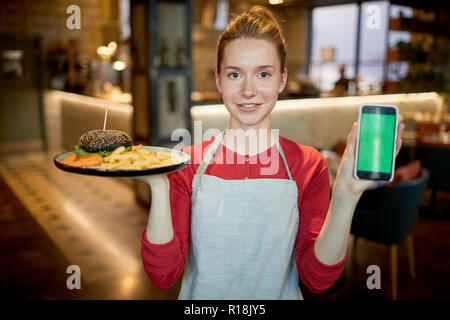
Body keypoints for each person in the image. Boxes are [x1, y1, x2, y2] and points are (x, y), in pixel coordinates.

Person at [140, 6, 404, 300]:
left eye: (263, 74)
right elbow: (163, 275)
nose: (249, 90)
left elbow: (317, 279)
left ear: (281, 80)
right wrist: (158, 185)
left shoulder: (308, 165)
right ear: (218, 80)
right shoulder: (187, 164)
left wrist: (346, 193)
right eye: (235, 74)